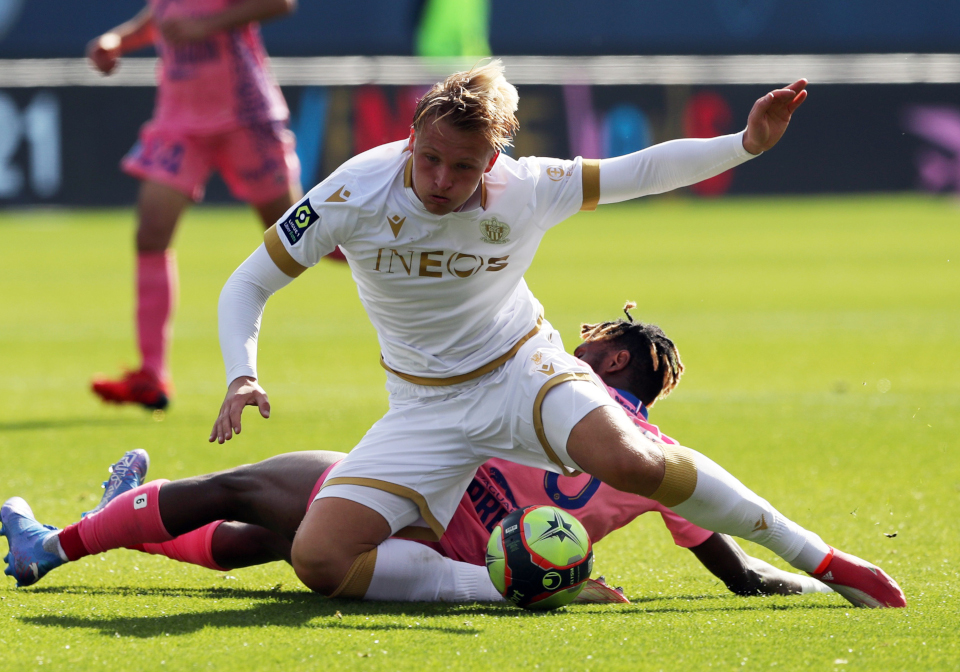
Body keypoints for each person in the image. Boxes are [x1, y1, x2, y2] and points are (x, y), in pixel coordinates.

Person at [206, 61, 903, 608]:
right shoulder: (353, 189)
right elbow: (248, 283)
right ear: (413, 135)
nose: (442, 180)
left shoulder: (530, 186)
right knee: (321, 562)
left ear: (495, 158)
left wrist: (746, 145)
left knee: (634, 463)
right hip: (423, 406)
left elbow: (645, 170)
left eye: (464, 166)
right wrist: (242, 371)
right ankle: (523, 588)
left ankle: (821, 557)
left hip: (522, 371)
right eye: (430, 158)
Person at [0, 305, 830, 601]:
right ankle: (119, 515)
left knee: (246, 488)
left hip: (421, 514)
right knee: (262, 541)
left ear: (613, 363)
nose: (581, 338)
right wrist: (791, 574)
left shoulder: (557, 396)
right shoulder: (657, 462)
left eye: (597, 338)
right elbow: (729, 561)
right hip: (475, 555)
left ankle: (56, 545)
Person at [86, 0, 303, 410]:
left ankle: (408, 258)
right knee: (151, 234)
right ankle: (152, 374)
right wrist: (117, 40)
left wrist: (209, 25)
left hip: (244, 114)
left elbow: (280, 3)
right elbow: (163, 17)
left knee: (304, 235)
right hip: (180, 123)